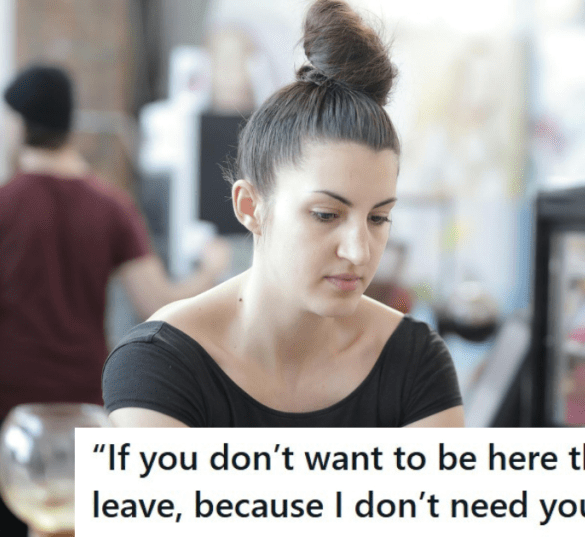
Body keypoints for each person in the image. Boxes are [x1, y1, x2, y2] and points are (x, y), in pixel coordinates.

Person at [102, 0, 464, 428]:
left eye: (377, 218)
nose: (359, 252)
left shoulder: (414, 360)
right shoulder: (160, 363)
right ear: (250, 207)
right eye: (326, 215)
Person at [0, 65, 231, 537]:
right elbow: (159, 305)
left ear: (18, 123)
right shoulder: (112, 206)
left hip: (11, 422)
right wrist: (210, 268)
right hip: (89, 418)